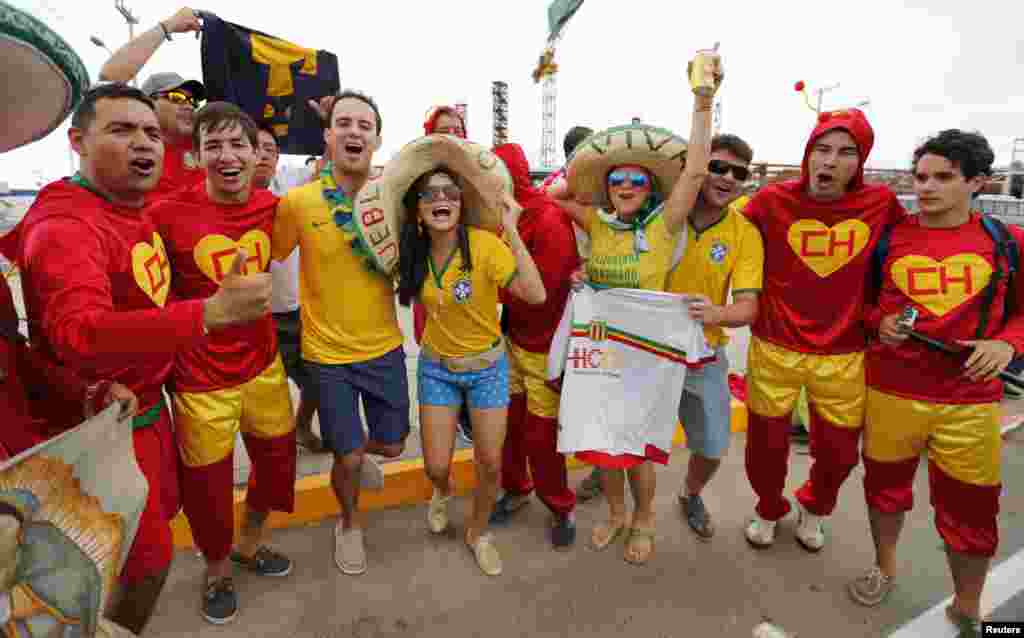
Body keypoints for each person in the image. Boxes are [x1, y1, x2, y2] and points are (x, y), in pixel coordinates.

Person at [9, 82, 271, 635]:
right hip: (101, 431)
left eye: (150, 131)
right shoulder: (68, 225)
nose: (143, 142)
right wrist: (206, 316)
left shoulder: (135, 206)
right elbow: (77, 332)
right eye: (121, 130)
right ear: (77, 141)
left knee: (144, 546)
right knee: (141, 563)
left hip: (149, 412)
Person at [552, 49, 721, 565]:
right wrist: (582, 173)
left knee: (638, 445)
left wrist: (701, 101)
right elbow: (550, 195)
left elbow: (693, 174)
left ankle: (644, 517)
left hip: (648, 356)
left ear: (650, 189)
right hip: (601, 352)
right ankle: (615, 514)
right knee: (601, 442)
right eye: (616, 179)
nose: (625, 186)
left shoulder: (661, 225)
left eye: (637, 180)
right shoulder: (597, 223)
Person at [849, 130, 1020, 637]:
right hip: (891, 392)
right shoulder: (887, 240)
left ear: (978, 182)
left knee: (971, 509)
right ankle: (884, 567)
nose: (926, 187)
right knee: (884, 492)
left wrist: (1008, 345)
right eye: (921, 176)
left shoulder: (1007, 242)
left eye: (943, 177)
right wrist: (880, 322)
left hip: (970, 402)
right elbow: (858, 307)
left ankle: (968, 608)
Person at [148, 103, 297, 624]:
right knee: (208, 488)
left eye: (239, 144)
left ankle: (250, 544)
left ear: (259, 154)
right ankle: (216, 570)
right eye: (214, 146)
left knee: (278, 466)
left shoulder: (275, 207)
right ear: (196, 156)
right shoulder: (165, 214)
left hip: (264, 367)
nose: (227, 156)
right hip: (200, 379)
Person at [740, 108, 905, 552]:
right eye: (822, 149)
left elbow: (903, 261)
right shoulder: (770, 201)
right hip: (774, 345)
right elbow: (721, 234)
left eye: (845, 152)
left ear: (861, 161)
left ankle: (815, 506)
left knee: (839, 453)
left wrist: (885, 315)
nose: (830, 161)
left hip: (845, 351)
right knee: (765, 448)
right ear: (808, 153)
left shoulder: (881, 204)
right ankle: (768, 506)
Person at [393, 142, 547, 576]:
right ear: (417, 209)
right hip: (437, 368)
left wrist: (511, 229)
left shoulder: (485, 245)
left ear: (462, 205)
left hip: (487, 371)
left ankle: (478, 532)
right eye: (430, 193)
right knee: (436, 465)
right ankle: (440, 492)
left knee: (490, 461)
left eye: (451, 193)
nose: (441, 199)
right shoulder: (412, 251)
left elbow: (534, 294)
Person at [272, 90, 406, 577]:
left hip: (386, 348)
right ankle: (348, 524)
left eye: (363, 125)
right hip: (326, 356)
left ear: (376, 138)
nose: (354, 132)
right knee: (346, 457)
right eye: (343, 123)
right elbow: (266, 259)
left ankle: (357, 457)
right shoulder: (298, 202)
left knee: (392, 445)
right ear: (328, 136)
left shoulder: (393, 200)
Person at [666, 133, 763, 540]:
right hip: (644, 349)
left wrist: (716, 313)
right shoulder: (664, 212)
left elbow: (747, 308)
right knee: (619, 429)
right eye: (717, 167)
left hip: (703, 353)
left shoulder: (745, 233)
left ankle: (690, 494)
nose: (726, 177)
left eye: (737, 172)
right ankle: (607, 478)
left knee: (712, 446)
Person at [486, 142, 580, 549]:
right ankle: (517, 488)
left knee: (541, 437)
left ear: (510, 177)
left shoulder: (548, 219)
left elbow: (542, 288)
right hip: (512, 341)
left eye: (492, 175)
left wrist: (489, 291)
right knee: (509, 429)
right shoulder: (495, 216)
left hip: (545, 348)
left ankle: (560, 505)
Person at [255, 124, 324, 453]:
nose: (263, 154)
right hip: (255, 317)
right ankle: (270, 451)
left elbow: (325, 168)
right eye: (256, 147)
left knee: (315, 382)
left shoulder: (291, 181)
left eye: (270, 148)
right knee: (265, 397)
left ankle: (302, 427)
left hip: (295, 310)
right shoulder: (226, 194)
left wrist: (327, 124)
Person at [98, 7, 207, 200]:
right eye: (177, 97)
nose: (189, 106)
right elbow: (109, 79)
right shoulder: (130, 151)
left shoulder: (208, 146)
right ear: (148, 105)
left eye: (193, 101)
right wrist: (168, 26)